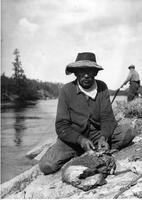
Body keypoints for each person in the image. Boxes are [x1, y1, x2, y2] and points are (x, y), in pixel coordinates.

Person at [39, 52, 135, 175]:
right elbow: (61, 125)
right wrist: (80, 140)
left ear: (95, 72)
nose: (86, 75)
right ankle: (80, 152)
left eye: (89, 71)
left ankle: (94, 151)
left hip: (97, 135)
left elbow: (107, 117)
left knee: (129, 131)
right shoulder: (66, 90)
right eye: (81, 71)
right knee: (47, 166)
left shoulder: (102, 87)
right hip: (73, 138)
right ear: (75, 73)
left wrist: (103, 137)